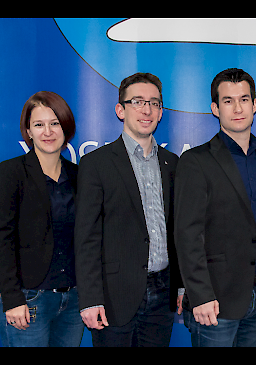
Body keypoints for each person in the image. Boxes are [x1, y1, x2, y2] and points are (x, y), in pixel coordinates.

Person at [174, 68, 256, 347]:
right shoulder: (196, 161)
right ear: (215, 108)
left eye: (244, 99)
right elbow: (188, 235)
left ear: (255, 104)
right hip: (215, 301)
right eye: (228, 101)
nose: (237, 108)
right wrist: (200, 295)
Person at [74, 72, 182, 347]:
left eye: (154, 103)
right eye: (137, 101)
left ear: (160, 112)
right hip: (114, 296)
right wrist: (90, 299)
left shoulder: (173, 163)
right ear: (120, 110)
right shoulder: (96, 164)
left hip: (163, 294)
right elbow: (86, 237)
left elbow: (179, 231)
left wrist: (181, 284)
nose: (146, 110)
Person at [0, 91, 84, 347]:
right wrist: (12, 298)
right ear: (28, 131)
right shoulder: (12, 172)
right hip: (30, 300)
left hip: (74, 301)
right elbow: (1, 239)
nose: (48, 132)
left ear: (66, 127)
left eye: (55, 123)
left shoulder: (79, 175)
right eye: (39, 125)